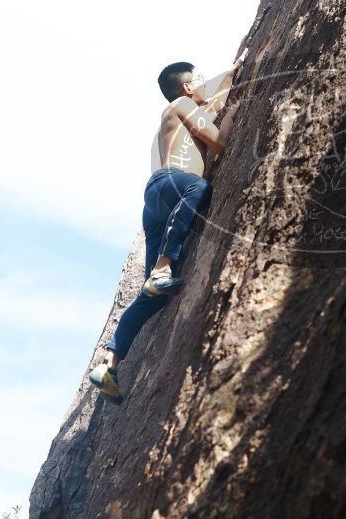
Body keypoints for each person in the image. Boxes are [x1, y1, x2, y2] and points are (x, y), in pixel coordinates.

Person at [88, 53, 245, 404]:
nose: (205, 83)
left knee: (151, 298)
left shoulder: (183, 110)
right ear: (187, 87)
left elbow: (216, 95)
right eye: (199, 79)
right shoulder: (181, 104)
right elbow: (217, 142)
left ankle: (109, 365)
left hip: (158, 200)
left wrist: (234, 75)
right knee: (201, 188)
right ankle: (163, 267)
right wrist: (234, 115)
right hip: (174, 182)